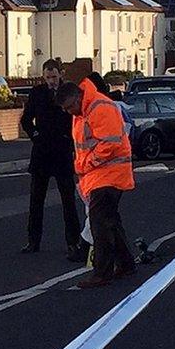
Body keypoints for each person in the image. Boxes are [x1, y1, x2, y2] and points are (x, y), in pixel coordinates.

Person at [56, 80, 137, 288]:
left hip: (108, 174)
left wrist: (86, 163)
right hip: (102, 174)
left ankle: (102, 272)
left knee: (99, 223)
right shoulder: (83, 111)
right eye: (65, 109)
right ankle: (126, 263)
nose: (68, 112)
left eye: (69, 107)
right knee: (110, 220)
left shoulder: (99, 107)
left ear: (77, 97)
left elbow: (110, 143)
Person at [19, 59, 83, 260]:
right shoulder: (37, 93)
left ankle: (73, 242)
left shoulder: (68, 92)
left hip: (62, 151)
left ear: (60, 74)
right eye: (47, 78)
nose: (51, 81)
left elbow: (77, 117)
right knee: (36, 200)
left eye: (54, 77)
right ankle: (33, 240)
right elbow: (26, 119)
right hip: (42, 151)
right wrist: (35, 135)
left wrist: (70, 138)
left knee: (68, 200)